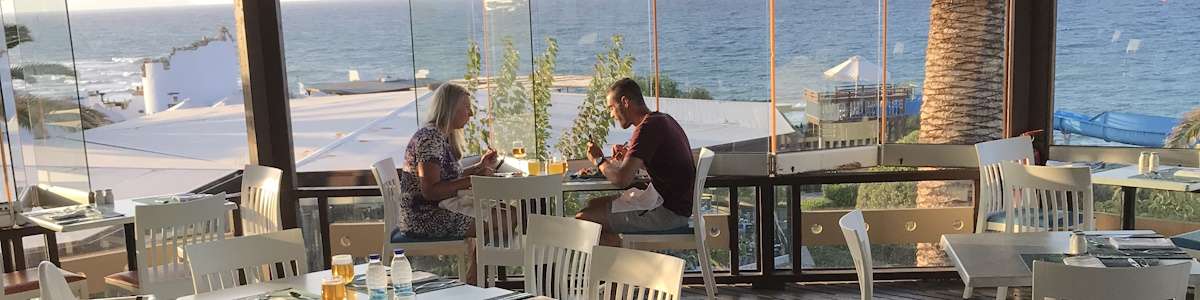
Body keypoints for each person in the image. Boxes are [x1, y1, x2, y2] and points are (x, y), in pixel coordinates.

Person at [576, 78, 696, 247]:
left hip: (668, 212)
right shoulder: (662, 119)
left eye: (611, 108)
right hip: (673, 204)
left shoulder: (647, 128)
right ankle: (619, 260)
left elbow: (621, 180)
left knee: (584, 218)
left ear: (625, 102)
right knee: (593, 205)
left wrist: (599, 159)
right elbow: (663, 164)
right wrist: (630, 155)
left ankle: (620, 268)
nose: (611, 115)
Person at [396, 83, 497, 283]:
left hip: (437, 210)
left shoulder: (439, 135)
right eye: (466, 108)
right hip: (425, 217)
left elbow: (447, 177)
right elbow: (431, 191)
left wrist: (478, 167)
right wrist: (474, 179)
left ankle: (474, 281)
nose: (471, 113)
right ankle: (474, 283)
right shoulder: (430, 139)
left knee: (504, 216)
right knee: (504, 219)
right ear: (450, 109)